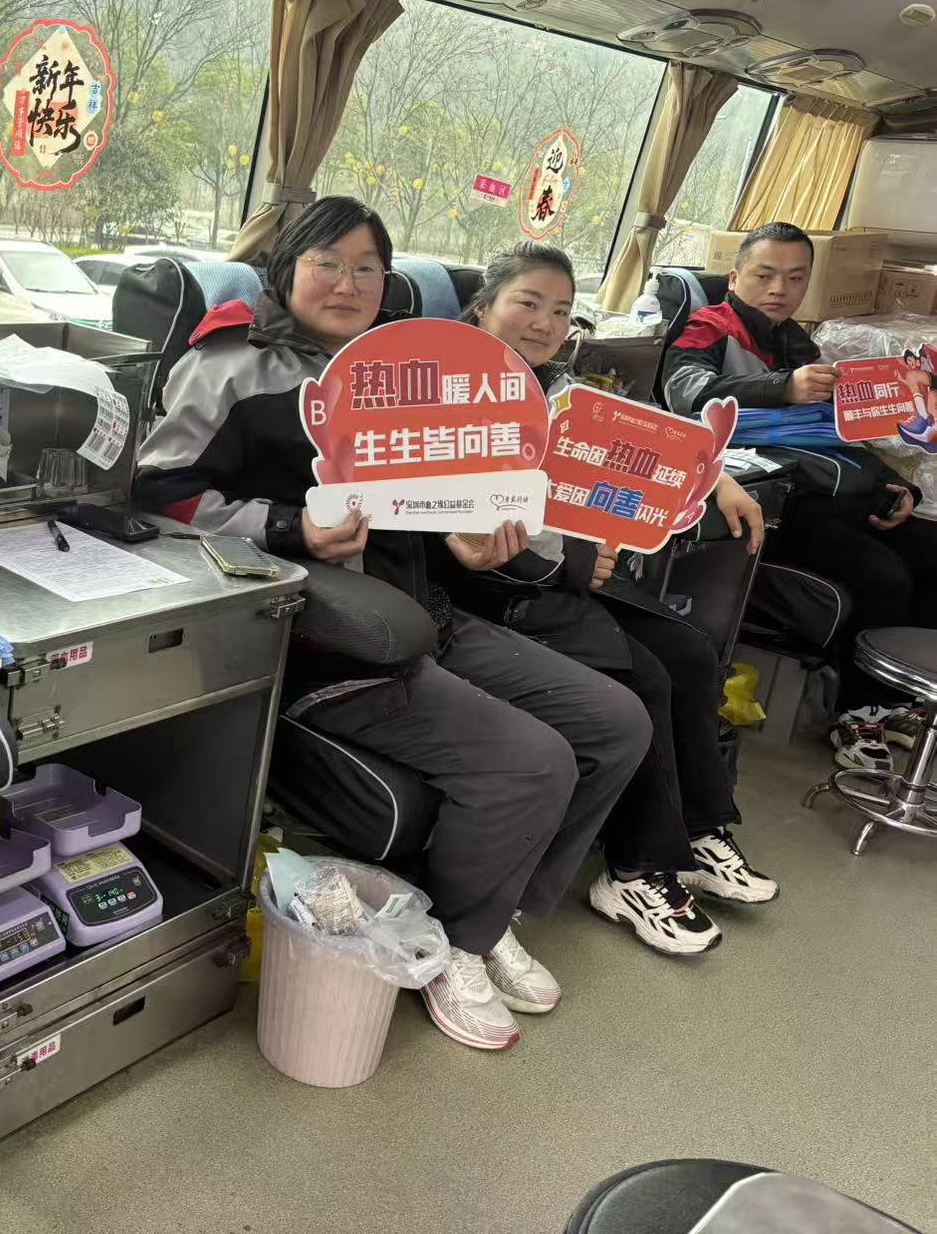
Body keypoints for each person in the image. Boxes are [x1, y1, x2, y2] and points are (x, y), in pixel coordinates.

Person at [135, 196, 652, 1051]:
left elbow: (438, 495)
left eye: (367, 268)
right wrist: (289, 528)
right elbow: (160, 497)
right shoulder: (230, 366)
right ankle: (454, 943)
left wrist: (471, 539)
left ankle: (493, 910)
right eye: (326, 264)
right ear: (285, 269)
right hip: (320, 635)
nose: (347, 283)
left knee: (616, 722)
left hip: (422, 610)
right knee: (533, 760)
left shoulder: (403, 373)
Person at [449, 242, 779, 953]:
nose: (544, 324)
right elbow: (471, 514)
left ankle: (698, 831)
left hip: (568, 571)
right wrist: (571, 555)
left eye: (560, 311)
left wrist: (715, 480)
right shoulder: (453, 387)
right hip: (492, 583)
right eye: (528, 303)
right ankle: (635, 869)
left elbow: (647, 442)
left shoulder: (559, 390)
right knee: (644, 675)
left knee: (690, 652)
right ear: (482, 308)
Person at [663, 221, 937, 771]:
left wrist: (898, 486)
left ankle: (905, 705)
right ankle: (859, 713)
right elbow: (685, 395)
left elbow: (834, 432)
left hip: (822, 485)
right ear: (735, 276)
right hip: (767, 501)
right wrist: (782, 387)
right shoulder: (707, 328)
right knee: (883, 575)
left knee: (931, 551)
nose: (779, 289)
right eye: (764, 275)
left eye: (795, 278)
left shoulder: (798, 342)